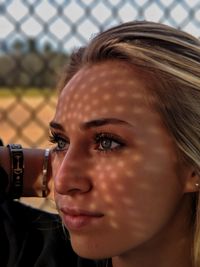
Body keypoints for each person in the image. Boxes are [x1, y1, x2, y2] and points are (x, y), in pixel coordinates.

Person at [0, 20, 199, 267]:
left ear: (193, 165)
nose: (61, 181)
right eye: (60, 142)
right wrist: (22, 169)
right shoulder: (31, 253)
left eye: (107, 143)